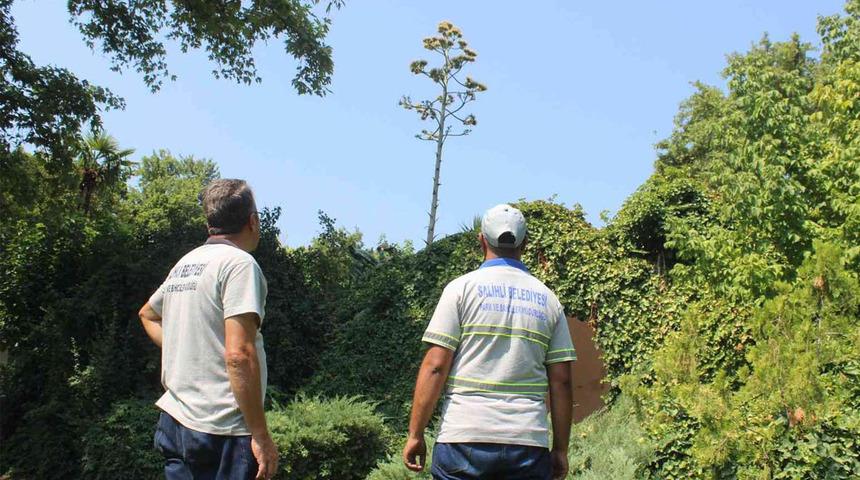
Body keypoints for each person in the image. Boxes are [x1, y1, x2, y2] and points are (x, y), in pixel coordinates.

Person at [403, 204, 576, 480]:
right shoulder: (549, 300)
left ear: (481, 240)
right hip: (527, 444)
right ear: (525, 243)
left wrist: (415, 433)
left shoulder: (460, 290)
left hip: (463, 438)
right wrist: (561, 449)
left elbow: (436, 366)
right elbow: (562, 381)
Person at [139, 179, 279, 480]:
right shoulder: (239, 264)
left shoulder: (186, 264)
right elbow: (239, 354)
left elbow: (148, 314)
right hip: (222, 432)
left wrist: (186, 347)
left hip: (175, 424)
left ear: (210, 223)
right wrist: (260, 435)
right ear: (253, 221)